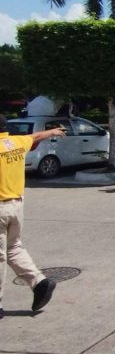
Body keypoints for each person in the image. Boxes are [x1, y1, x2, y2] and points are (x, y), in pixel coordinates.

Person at [0, 114, 65, 318]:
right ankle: (40, 283)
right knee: (13, 248)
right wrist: (53, 132)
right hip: (16, 206)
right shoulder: (17, 142)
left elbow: (36, 135)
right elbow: (36, 136)